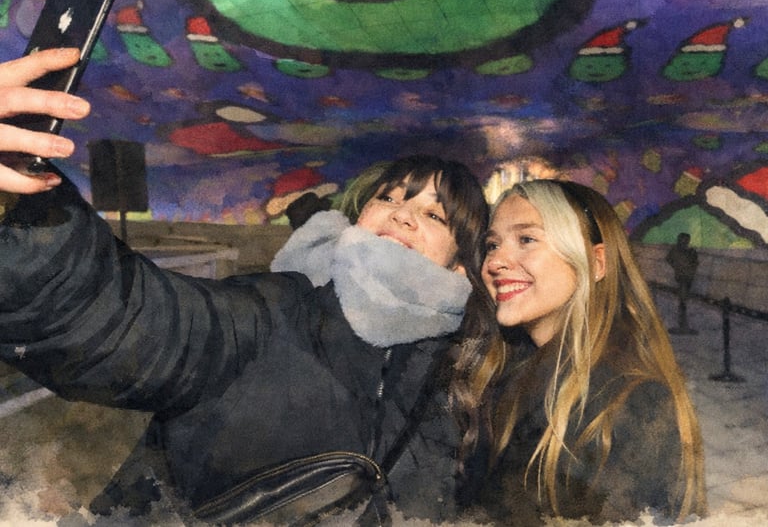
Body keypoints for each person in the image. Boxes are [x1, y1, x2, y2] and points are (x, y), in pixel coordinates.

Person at [0, 48, 489, 522]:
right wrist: (15, 212)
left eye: (434, 215)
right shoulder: (273, 312)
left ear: (460, 269)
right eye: (389, 198)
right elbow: (125, 318)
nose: (402, 214)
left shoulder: (474, 378)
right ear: (358, 218)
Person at [450, 178, 707, 524]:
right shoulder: (513, 373)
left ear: (596, 262)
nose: (496, 261)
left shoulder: (628, 402)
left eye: (526, 239)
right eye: (492, 245)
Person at [666, 232, 699, 334]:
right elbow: (669, 259)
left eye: (686, 240)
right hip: (684, 277)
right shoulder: (683, 251)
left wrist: (678, 267)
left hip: (686, 277)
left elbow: (695, 263)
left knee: (683, 300)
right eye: (684, 239)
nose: (686, 242)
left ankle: (683, 324)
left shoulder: (687, 251)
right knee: (683, 300)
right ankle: (683, 325)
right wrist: (680, 267)